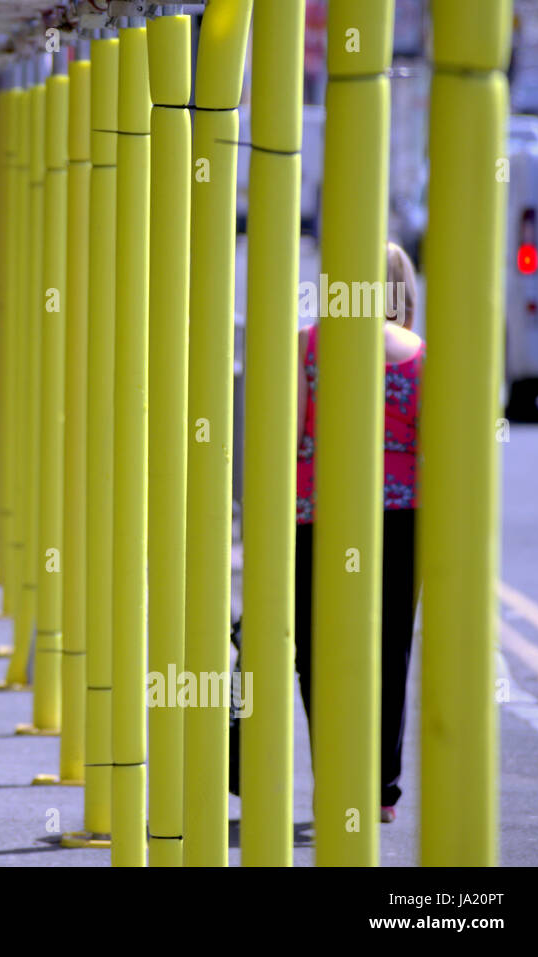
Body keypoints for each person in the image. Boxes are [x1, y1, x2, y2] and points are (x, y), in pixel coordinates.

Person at [232, 242, 423, 825]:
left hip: (317, 517)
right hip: (399, 520)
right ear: (402, 292)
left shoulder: (309, 344)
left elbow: (288, 440)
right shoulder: (418, 355)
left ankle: (331, 779)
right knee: (388, 651)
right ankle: (379, 793)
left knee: (314, 651)